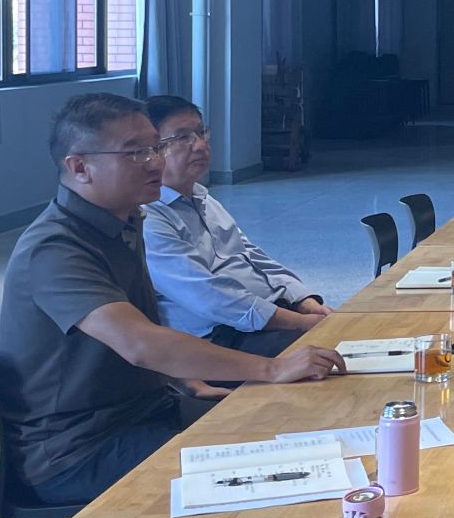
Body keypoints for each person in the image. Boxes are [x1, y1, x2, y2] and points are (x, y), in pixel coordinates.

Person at [0, 94, 346, 505]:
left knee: (298, 430)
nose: (155, 162)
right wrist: (271, 368)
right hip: (80, 448)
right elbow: (139, 343)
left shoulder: (127, 219)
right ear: (79, 167)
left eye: (155, 148)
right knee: (271, 472)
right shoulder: (55, 249)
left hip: (147, 408)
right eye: (135, 153)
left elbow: (148, 321)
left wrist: (182, 379)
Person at [140, 95, 332, 357]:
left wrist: (303, 300)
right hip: (222, 337)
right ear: (153, 150)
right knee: (332, 351)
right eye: (183, 138)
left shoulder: (202, 198)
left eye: (201, 133)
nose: (200, 146)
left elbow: (251, 256)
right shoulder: (149, 218)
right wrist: (299, 323)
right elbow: (207, 296)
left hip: (268, 316)